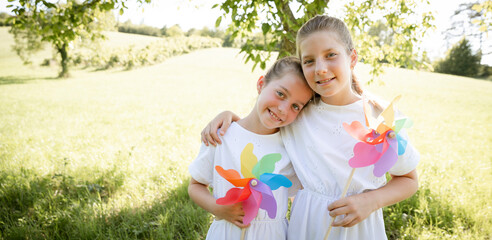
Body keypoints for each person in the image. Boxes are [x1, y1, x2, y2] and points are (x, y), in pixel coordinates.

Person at [200, 15, 419, 240]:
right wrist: (229, 117)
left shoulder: (381, 118)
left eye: (331, 55)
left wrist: (372, 201)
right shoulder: (299, 113)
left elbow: (409, 180)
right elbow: (260, 126)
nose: (321, 69)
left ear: (352, 58)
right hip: (306, 226)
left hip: (357, 229)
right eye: (309, 61)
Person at [188, 56, 313, 240]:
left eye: (296, 106)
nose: (283, 109)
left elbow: (298, 195)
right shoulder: (221, 135)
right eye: (280, 94)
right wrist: (218, 209)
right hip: (227, 232)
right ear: (261, 84)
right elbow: (195, 185)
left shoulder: (291, 146)